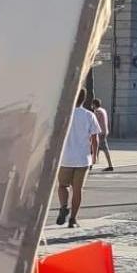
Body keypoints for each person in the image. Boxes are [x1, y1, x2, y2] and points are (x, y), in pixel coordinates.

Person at [55, 89, 99, 229]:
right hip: (83, 158)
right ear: (84, 99)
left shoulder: (63, 114)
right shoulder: (89, 115)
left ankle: (63, 207)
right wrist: (95, 155)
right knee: (77, 190)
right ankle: (73, 219)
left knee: (62, 185)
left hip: (65, 158)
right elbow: (95, 137)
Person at [90, 98, 115, 172]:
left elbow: (95, 122)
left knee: (102, 148)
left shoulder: (97, 111)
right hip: (104, 131)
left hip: (100, 133)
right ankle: (92, 164)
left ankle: (110, 165)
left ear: (94, 104)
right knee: (98, 148)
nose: (92, 106)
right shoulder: (103, 110)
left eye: (92, 104)